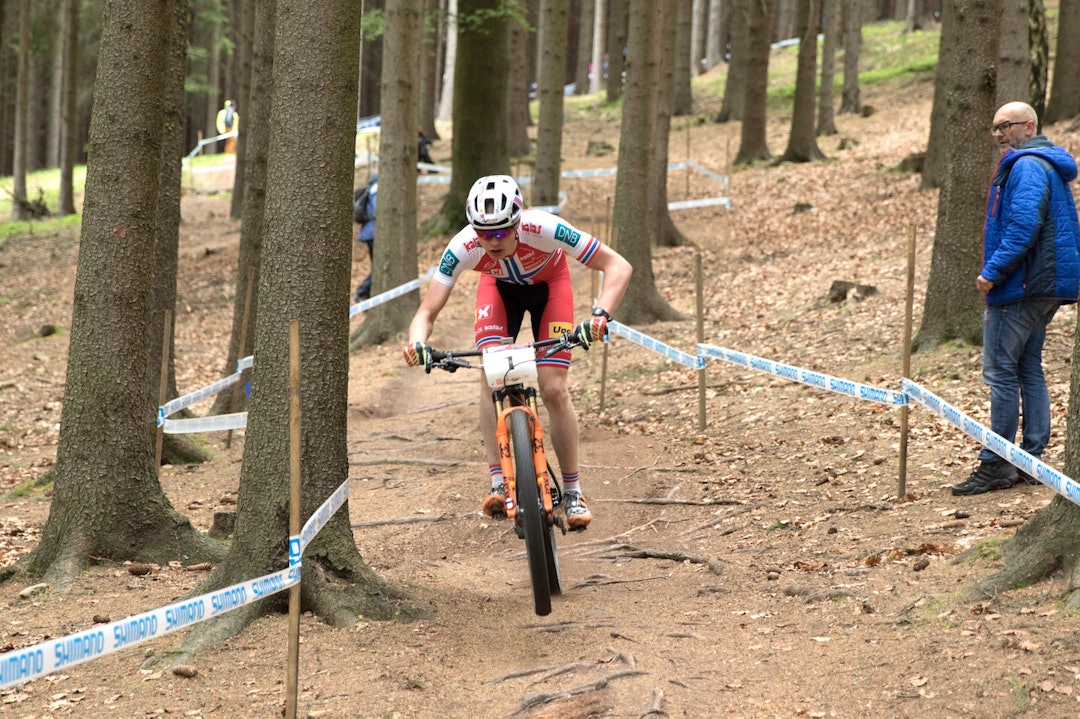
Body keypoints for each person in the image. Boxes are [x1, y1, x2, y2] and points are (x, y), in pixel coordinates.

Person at [403, 175, 632, 529]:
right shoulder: (463, 246)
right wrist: (417, 343)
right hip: (499, 292)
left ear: (518, 223)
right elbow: (426, 313)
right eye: (483, 233)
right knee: (489, 376)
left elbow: (618, 266)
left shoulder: (545, 228)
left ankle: (572, 492)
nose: (491, 241)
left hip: (550, 288)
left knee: (553, 388)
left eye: (500, 232)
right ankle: (499, 481)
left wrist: (599, 316)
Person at [951, 102, 1080, 496]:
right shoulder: (1042, 163)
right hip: (1042, 287)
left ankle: (997, 462)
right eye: (994, 128)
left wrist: (992, 272)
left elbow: (1023, 227)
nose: (998, 135)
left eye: (1005, 126)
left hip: (1022, 286)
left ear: (1029, 125)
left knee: (1001, 372)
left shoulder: (1026, 164)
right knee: (1028, 368)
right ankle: (1030, 458)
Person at [353, 174, 378, 303]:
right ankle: (362, 292)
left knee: (377, 266)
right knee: (378, 267)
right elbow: (376, 211)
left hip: (369, 233)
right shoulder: (376, 193)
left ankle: (365, 293)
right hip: (373, 233)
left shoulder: (371, 191)